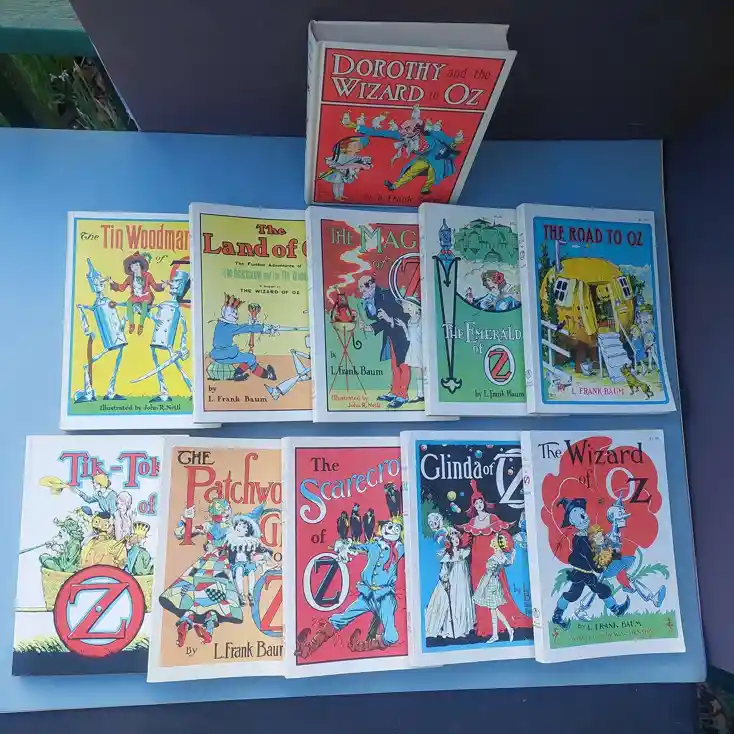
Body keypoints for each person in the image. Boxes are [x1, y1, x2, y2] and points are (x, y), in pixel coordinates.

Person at [295, 518, 405, 657]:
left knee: (391, 636)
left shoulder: (399, 548)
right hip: (367, 595)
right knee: (341, 618)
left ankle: (362, 647)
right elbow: (357, 547)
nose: (391, 529)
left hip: (385, 597)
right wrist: (344, 546)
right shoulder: (374, 545)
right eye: (389, 526)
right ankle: (309, 648)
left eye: (396, 528)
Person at [159, 498, 243, 646]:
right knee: (216, 602)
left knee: (194, 596)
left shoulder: (208, 526)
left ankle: (185, 622)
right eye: (227, 509)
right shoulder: (231, 529)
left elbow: (180, 533)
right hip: (220, 567)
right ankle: (208, 631)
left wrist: (184, 520)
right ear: (225, 512)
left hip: (203, 565)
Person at [551, 498, 630, 630]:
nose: (584, 517)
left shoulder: (589, 534)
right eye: (578, 516)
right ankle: (557, 616)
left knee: (598, 590)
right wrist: (601, 565)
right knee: (575, 594)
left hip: (586, 572)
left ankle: (616, 610)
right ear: (572, 522)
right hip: (582, 573)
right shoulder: (581, 540)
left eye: (583, 513)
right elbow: (591, 558)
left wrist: (611, 551)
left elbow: (599, 549)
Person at [351, 106, 464, 196]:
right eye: (402, 128)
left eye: (407, 129)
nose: (403, 131)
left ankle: (426, 189)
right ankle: (394, 186)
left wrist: (454, 142)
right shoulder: (403, 136)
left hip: (438, 157)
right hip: (424, 158)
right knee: (411, 171)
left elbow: (446, 141)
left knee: (433, 173)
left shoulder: (430, 135)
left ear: (417, 130)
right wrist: (361, 128)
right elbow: (383, 133)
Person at [357, 274, 410, 409]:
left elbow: (402, 314)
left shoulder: (387, 295)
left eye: (363, 288)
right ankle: (395, 392)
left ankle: (403, 395)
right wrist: (369, 327)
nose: (361, 291)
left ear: (372, 285)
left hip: (402, 334)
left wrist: (389, 319)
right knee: (394, 365)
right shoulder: (372, 299)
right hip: (391, 335)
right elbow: (378, 319)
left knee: (403, 365)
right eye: (360, 288)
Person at [209, 294, 278, 382]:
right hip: (226, 355)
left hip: (217, 354)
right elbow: (245, 328)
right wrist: (264, 328)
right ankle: (266, 375)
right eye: (233, 312)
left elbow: (244, 327)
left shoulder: (220, 325)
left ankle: (242, 374)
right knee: (250, 358)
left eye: (236, 312)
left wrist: (255, 326)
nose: (236, 314)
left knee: (248, 358)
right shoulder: (229, 327)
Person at [424, 527, 475, 640]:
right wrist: (445, 579)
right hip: (453, 580)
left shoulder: (463, 552)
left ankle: (463, 628)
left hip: (463, 580)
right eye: (452, 539)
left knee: (462, 601)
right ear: (450, 541)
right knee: (454, 601)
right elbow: (444, 570)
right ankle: (453, 630)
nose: (455, 540)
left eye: (456, 538)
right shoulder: (448, 556)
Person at [473, 531, 517, 643]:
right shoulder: (502, 557)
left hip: (491, 584)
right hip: (496, 583)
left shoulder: (494, 559)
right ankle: (500, 632)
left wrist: (481, 589)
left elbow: (488, 576)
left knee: (493, 609)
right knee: (494, 610)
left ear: (497, 544)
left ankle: (503, 631)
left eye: (494, 539)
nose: (491, 540)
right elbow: (509, 560)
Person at [110, 251, 165, 335]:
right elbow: (122, 287)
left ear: (140, 265)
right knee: (129, 303)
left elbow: (155, 286)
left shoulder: (148, 275)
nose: (134, 267)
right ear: (130, 268)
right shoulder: (130, 277)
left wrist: (164, 285)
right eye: (132, 266)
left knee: (144, 304)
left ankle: (141, 325)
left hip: (146, 296)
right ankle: (131, 324)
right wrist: (111, 282)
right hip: (136, 296)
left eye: (136, 265)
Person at [319, 135, 372, 201]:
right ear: (346, 148)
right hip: (338, 173)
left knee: (342, 184)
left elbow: (360, 160)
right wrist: (336, 166)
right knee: (336, 184)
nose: (357, 147)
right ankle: (336, 196)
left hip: (345, 173)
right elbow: (333, 161)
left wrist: (365, 161)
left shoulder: (355, 157)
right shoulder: (341, 156)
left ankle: (341, 195)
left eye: (358, 146)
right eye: (354, 146)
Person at [397, 296, 424, 403]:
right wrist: (403, 326)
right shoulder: (409, 320)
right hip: (413, 347)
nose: (405, 307)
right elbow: (409, 337)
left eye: (407, 305)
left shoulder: (421, 319)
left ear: (414, 306)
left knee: (422, 370)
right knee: (418, 370)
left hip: (420, 347)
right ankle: (420, 394)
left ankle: (423, 394)